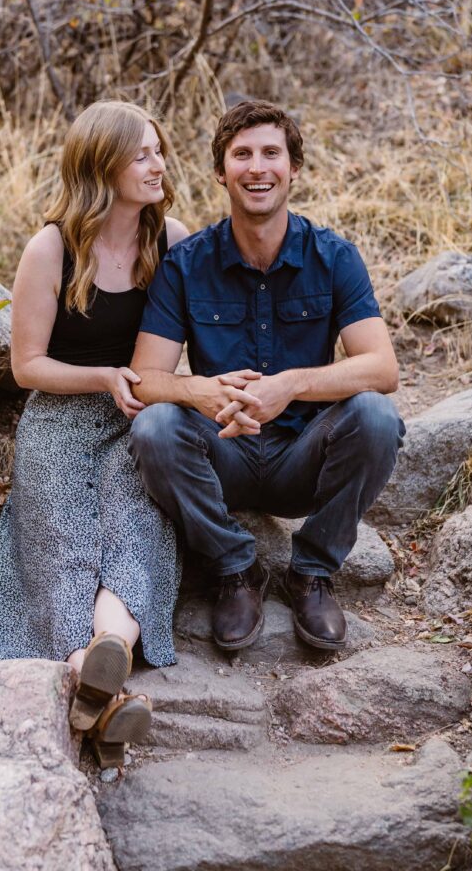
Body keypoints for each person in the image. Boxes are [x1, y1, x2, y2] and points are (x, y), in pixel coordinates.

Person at [128, 99, 405, 653]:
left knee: (376, 415)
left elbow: (383, 368)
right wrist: (197, 390)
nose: (257, 168)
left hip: (304, 455)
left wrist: (292, 385)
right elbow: (144, 379)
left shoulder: (333, 257)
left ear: (293, 167)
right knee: (155, 427)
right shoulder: (187, 264)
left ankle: (312, 572)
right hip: (223, 454)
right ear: (220, 171)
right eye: (242, 155)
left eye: (271, 153)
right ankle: (236, 570)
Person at [0, 100, 188, 767]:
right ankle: (97, 675)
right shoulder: (51, 247)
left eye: (158, 149)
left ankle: (98, 667)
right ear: (101, 164)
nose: (157, 164)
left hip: (142, 418)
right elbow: (27, 366)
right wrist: (105, 375)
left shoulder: (173, 241)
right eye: (141, 154)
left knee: (138, 524)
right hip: (59, 415)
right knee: (59, 539)